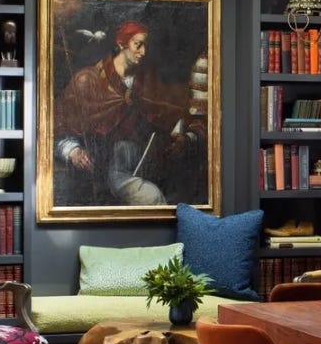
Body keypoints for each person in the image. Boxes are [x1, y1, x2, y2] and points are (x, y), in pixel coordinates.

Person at [53, 21, 208, 207]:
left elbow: (172, 115)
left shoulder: (147, 81)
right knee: (152, 198)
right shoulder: (88, 81)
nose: (143, 52)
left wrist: (180, 137)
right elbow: (57, 129)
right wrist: (73, 151)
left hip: (146, 164)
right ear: (121, 45)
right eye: (138, 45)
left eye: (145, 46)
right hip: (102, 171)